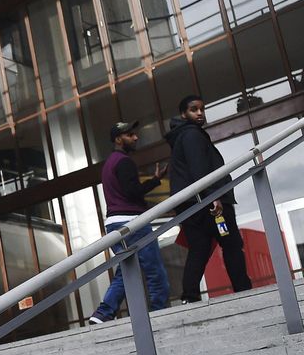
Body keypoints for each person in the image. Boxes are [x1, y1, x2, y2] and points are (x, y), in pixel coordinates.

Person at [166, 95, 252, 303]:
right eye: (194, 109)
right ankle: (244, 290)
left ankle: (190, 296)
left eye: (202, 109)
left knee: (200, 247)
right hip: (210, 203)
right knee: (231, 243)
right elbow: (200, 168)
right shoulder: (192, 135)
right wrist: (213, 196)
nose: (199, 113)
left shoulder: (182, 137)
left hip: (194, 205)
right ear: (183, 114)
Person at [89, 121, 171, 324]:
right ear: (118, 139)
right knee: (154, 269)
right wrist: (154, 181)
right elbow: (133, 192)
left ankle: (102, 314)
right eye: (129, 135)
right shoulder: (124, 162)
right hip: (132, 222)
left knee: (126, 271)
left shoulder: (109, 163)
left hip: (114, 223)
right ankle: (160, 313)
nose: (135, 138)